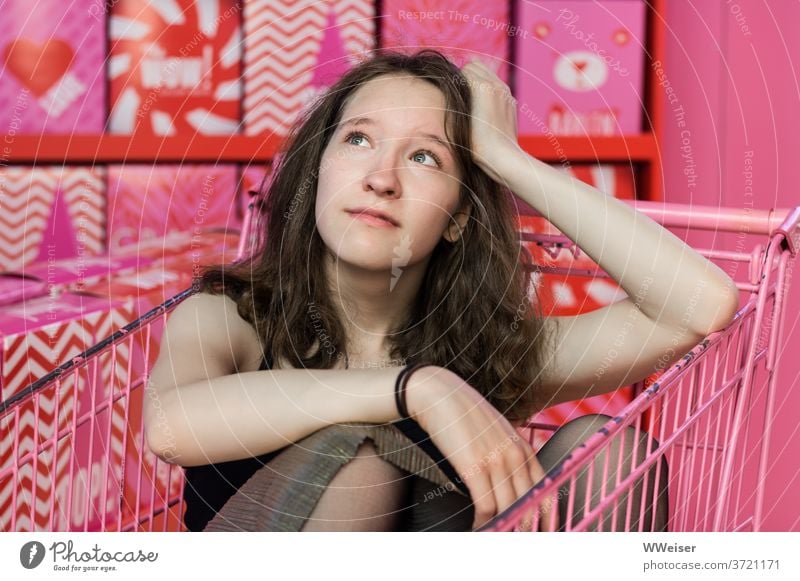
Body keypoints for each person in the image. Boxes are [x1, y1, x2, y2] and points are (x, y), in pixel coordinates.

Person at [144, 49, 739, 532]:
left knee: (605, 452)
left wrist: (508, 160)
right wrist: (414, 390)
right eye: (357, 140)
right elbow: (172, 428)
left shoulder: (486, 354)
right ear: (315, 171)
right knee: (360, 458)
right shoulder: (233, 316)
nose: (381, 178)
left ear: (457, 216)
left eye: (425, 157)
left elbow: (701, 305)